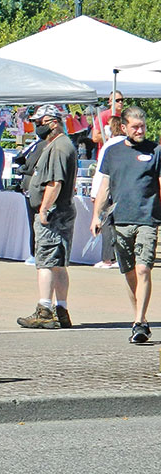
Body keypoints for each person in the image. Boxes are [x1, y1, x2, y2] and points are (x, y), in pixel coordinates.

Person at [91, 106, 161, 344]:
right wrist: (96, 216)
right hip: (120, 220)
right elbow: (105, 187)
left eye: (143, 126)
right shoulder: (113, 153)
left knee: (143, 269)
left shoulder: (156, 151)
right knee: (129, 271)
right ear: (124, 127)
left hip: (147, 219)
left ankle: (139, 322)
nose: (140, 130)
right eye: (135, 127)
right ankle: (139, 318)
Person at [17, 105, 78, 330]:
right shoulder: (59, 145)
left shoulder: (59, 147)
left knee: (46, 262)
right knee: (58, 263)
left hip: (54, 213)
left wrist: (43, 209)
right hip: (61, 210)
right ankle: (61, 310)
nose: (37, 126)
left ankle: (44, 310)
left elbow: (55, 182)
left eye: (39, 122)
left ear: (52, 122)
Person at [90, 115, 126, 269]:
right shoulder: (127, 144)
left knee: (107, 224)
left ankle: (107, 258)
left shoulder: (110, 145)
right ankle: (119, 257)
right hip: (124, 191)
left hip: (109, 190)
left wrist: (95, 192)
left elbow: (102, 172)